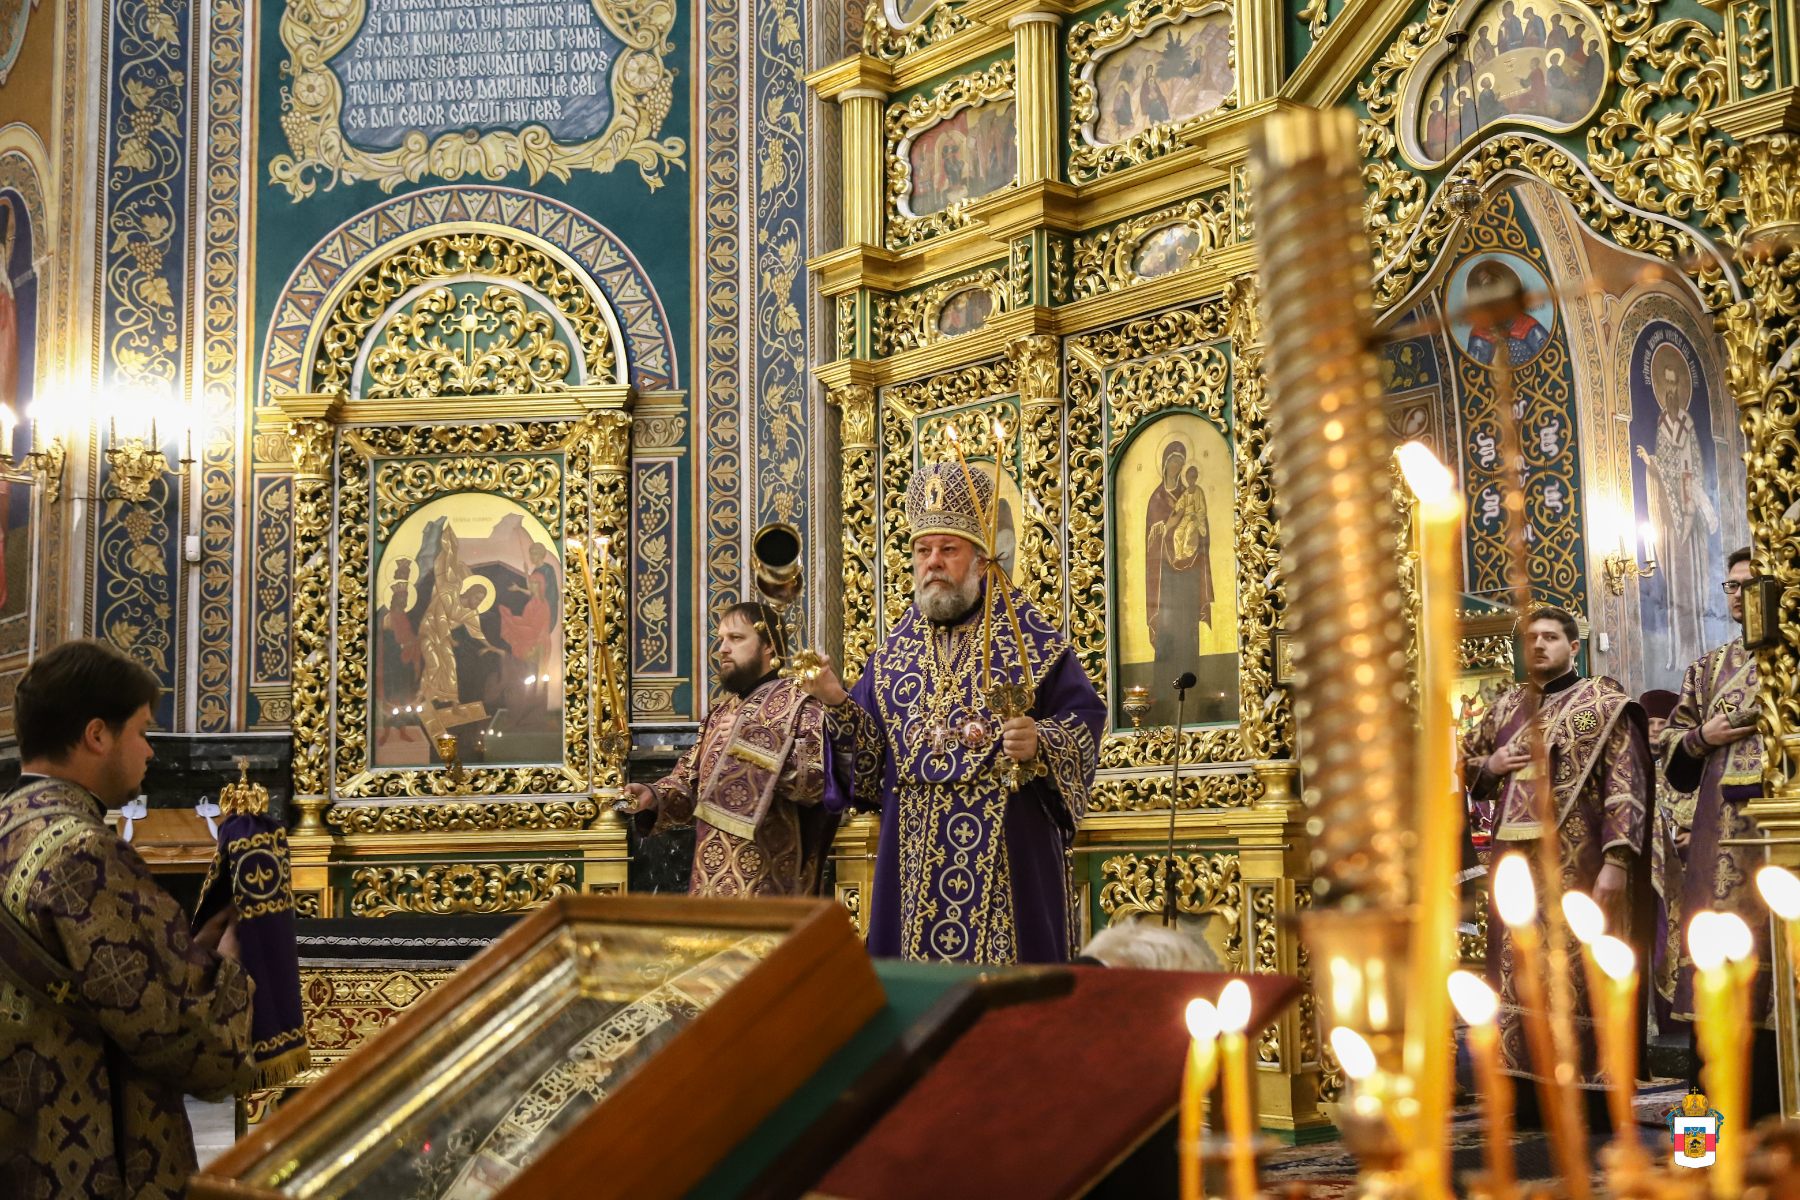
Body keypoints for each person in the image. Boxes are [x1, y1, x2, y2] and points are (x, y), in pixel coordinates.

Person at [802, 463, 1105, 964]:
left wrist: (1042, 741)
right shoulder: (892, 654)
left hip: (1006, 853)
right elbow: (870, 770)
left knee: (1005, 998)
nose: (933, 563)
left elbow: (1084, 720)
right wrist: (837, 701)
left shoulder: (1031, 640)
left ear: (982, 560)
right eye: (923, 551)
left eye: (948, 550)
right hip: (911, 860)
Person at [0, 639, 255, 1198]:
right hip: (81, 1156)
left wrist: (188, 950)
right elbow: (182, 1036)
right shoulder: (85, 852)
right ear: (97, 735)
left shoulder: (10, 826)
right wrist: (232, 965)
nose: (150, 751)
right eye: (141, 731)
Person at [1460, 605, 1649, 1112]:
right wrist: (1491, 763)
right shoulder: (1505, 707)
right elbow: (1462, 763)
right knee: (1517, 969)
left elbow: (1625, 785)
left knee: (1576, 970)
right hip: (1515, 867)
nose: (1539, 645)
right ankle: (1525, 1094)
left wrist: (1617, 862)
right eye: (1531, 639)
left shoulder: (1602, 704)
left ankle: (1589, 1095)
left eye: (1550, 637)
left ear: (1574, 646)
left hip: (1578, 864)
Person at [1662, 546, 1779, 1114]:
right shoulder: (1708, 668)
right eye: (1730, 585)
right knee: (1710, 997)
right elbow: (1672, 748)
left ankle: (1774, 1136)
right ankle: (1699, 1148)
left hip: (1780, 845)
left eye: (1748, 584)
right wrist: (1702, 736)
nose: (1737, 595)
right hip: (1718, 846)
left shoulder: (1791, 660)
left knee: (1778, 987)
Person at [623, 602, 837, 897]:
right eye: (721, 639)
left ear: (769, 646)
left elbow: (817, 782)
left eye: (736, 638)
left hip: (773, 887)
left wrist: (752, 740)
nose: (723, 649)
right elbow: (688, 784)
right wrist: (653, 796)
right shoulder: (719, 714)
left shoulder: (800, 704)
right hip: (709, 884)